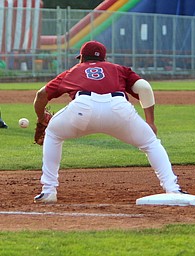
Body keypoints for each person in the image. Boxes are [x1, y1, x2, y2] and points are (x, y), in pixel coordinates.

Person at [33, 40, 184, 203]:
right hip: (118, 110)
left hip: (82, 109)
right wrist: (150, 122)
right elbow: (145, 88)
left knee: (53, 133)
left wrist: (42, 118)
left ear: (81, 57)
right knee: (150, 143)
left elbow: (41, 95)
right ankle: (173, 189)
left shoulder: (73, 71)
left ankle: (48, 191)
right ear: (104, 59)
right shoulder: (118, 69)